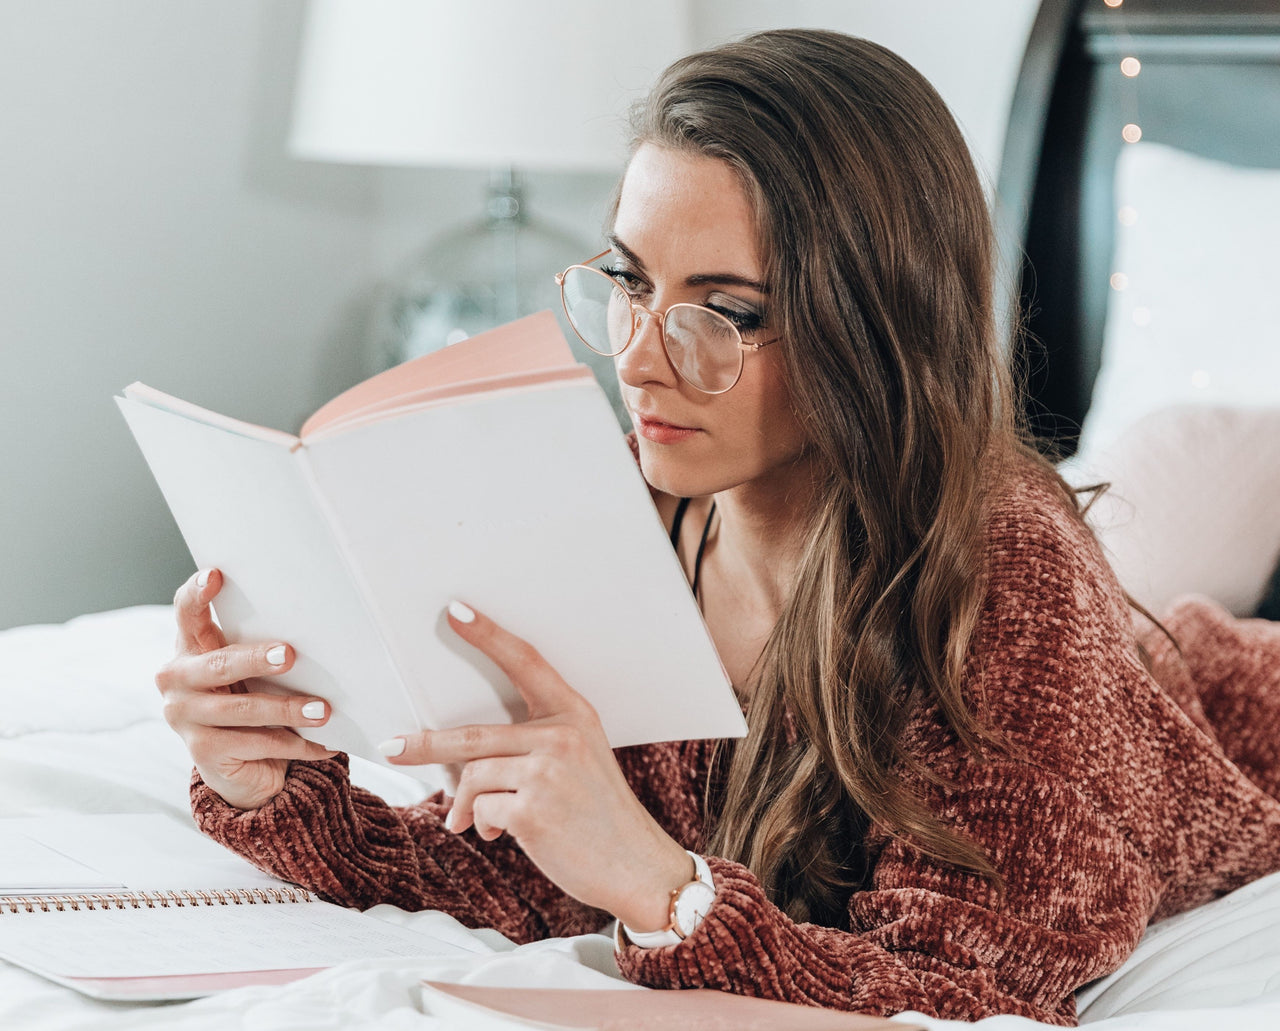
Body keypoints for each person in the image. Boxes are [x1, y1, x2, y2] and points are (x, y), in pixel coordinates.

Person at [155, 29, 1280, 1025]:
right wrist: (275, 785)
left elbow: (972, 989)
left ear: (871, 323)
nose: (641, 358)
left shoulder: (999, 566)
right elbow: (526, 874)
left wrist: (660, 887)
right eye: (628, 281)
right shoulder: (640, 513)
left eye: (725, 312)